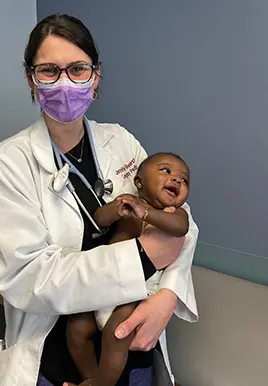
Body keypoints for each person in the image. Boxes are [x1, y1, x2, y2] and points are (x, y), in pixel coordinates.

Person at [0, 14, 199, 386]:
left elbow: (179, 217)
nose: (64, 82)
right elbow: (27, 279)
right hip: (53, 347)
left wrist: (169, 295)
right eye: (48, 70)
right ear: (32, 81)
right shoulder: (7, 164)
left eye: (78, 69)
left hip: (131, 336)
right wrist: (142, 257)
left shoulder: (120, 141)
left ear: (95, 77)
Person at [66, 153, 190, 386]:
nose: (176, 180)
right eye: (166, 171)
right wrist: (114, 210)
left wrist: (148, 214)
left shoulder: (172, 215)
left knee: (117, 332)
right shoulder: (128, 203)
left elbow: (181, 228)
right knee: (77, 327)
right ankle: (90, 377)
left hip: (136, 291)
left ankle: (102, 383)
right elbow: (99, 220)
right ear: (139, 182)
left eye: (184, 180)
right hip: (102, 284)